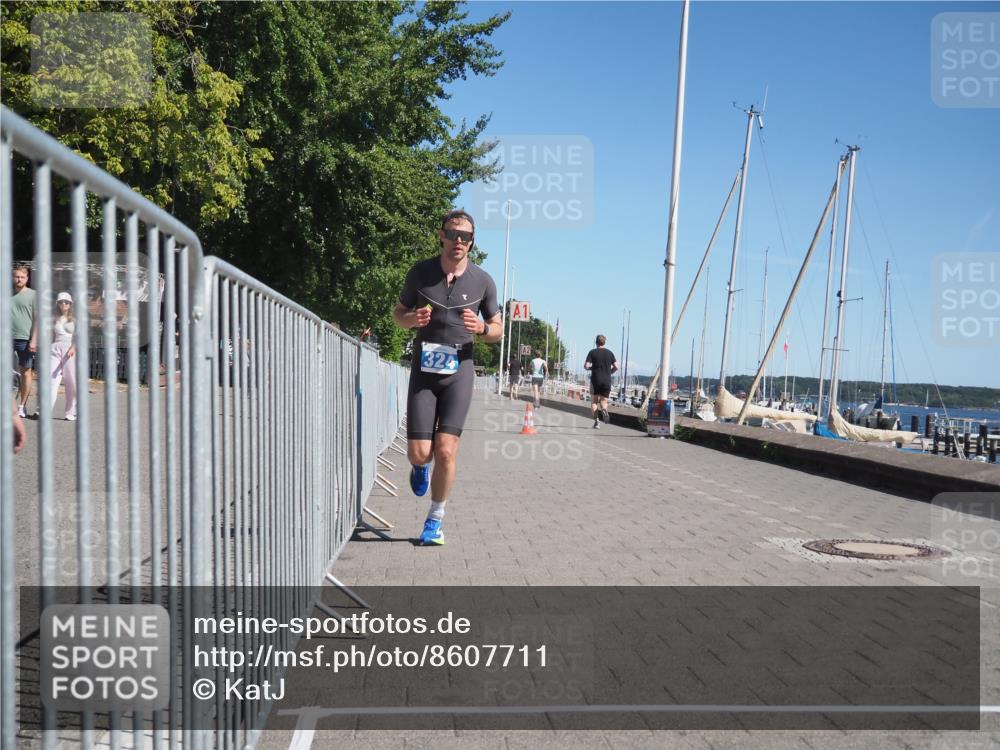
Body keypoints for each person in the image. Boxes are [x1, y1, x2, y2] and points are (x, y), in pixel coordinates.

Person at [393, 210, 502, 545]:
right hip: (424, 372)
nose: (459, 241)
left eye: (465, 236)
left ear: (472, 242)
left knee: (446, 449)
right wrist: (412, 319)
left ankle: (435, 520)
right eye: (453, 234)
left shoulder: (483, 281)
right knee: (419, 453)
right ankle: (419, 467)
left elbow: (497, 329)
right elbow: (398, 314)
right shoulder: (421, 273)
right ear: (441, 235)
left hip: (460, 372)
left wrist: (482, 328)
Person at [11, 265, 37, 418]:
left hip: (25, 339)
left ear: (27, 278)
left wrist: (34, 340)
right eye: (16, 276)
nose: (19, 279)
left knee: (25, 372)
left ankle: (22, 406)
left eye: (22, 277)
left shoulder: (33, 295)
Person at [48, 292, 78, 421]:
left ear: (70, 304)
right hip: (55, 348)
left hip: (69, 349)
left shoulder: (75, 319)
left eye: (66, 302)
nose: (63, 304)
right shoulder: (54, 318)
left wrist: (73, 347)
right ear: (57, 304)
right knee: (51, 379)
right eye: (61, 302)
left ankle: (70, 412)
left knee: (70, 381)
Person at [584, 334, 618, 429]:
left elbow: (586, 366)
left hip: (595, 380)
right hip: (606, 381)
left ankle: (597, 422)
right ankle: (604, 410)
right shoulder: (610, 353)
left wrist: (590, 368)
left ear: (596, 342)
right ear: (604, 342)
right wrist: (610, 372)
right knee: (603, 401)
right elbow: (616, 367)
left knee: (594, 402)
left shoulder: (592, 352)